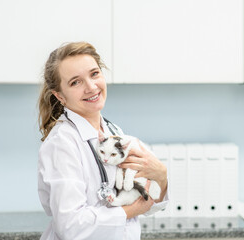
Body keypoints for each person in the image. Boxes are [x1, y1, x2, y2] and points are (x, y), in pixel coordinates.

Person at [37, 41, 169, 240]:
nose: (91, 87)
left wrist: (161, 177)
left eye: (94, 74)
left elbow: (148, 202)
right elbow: (71, 226)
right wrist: (129, 211)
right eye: (75, 82)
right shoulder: (62, 143)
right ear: (59, 96)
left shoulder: (114, 132)